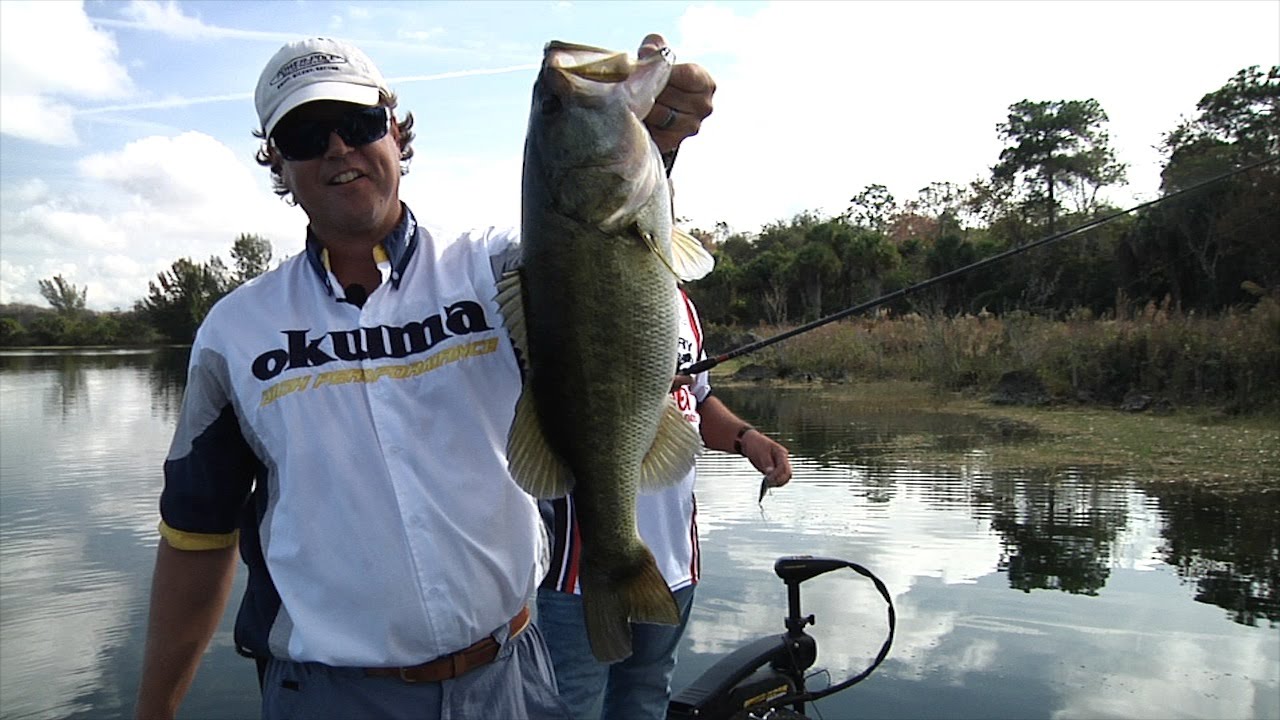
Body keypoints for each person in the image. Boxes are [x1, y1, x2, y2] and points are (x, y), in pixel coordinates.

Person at [134, 33, 716, 720]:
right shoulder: (233, 333)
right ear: (278, 164)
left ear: (395, 131)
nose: (338, 149)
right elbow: (197, 538)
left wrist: (658, 142)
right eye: (304, 136)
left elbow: (595, 247)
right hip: (329, 696)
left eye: (357, 123)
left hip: (511, 681)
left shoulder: (495, 269)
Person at [536, 286, 793, 720]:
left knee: (646, 697)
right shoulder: (575, 292)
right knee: (570, 705)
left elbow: (698, 398)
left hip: (673, 561)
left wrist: (745, 438)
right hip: (581, 568)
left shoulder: (683, 303)